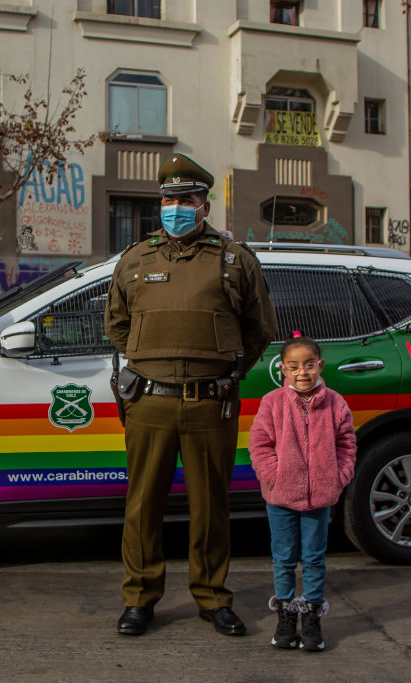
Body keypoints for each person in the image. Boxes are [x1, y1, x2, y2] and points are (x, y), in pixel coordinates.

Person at [105, 152, 277, 637]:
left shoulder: (234, 260)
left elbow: (258, 329)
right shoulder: (135, 260)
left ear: (204, 205)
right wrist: (153, 365)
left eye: (185, 199)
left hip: (210, 403)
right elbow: (117, 326)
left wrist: (222, 369)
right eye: (168, 199)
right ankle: (139, 598)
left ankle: (213, 597)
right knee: (142, 506)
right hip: (149, 403)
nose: (175, 206)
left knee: (210, 507)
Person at [248, 335, 357, 651]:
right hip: (280, 496)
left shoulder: (335, 403)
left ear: (320, 366)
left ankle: (311, 618)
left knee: (313, 558)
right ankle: (285, 617)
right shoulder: (272, 403)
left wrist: (339, 477)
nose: (302, 373)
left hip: (320, 498)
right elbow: (260, 445)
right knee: (283, 558)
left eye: (309, 365)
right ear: (283, 369)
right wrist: (273, 477)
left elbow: (346, 444)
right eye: (294, 367)